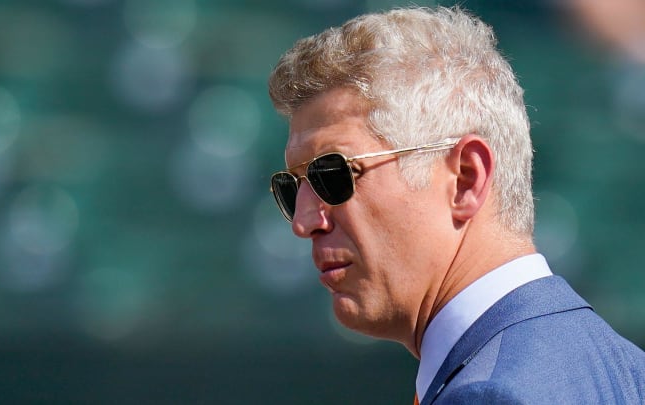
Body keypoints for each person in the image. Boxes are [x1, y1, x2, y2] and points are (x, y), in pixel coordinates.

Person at [267, 6, 645, 404]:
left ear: (466, 178)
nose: (304, 221)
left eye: (334, 174)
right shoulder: (627, 368)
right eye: (292, 189)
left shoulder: (491, 393)